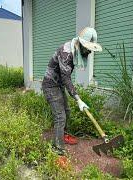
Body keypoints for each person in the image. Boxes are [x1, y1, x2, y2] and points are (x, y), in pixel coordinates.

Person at [42, 27, 102, 155]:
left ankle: (63, 136)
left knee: (67, 111)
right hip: (50, 85)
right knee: (60, 116)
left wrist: (76, 97)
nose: (89, 52)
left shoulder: (75, 49)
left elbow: (65, 79)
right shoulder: (66, 53)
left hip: (58, 85)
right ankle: (57, 149)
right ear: (81, 44)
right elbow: (66, 79)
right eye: (88, 49)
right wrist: (78, 99)